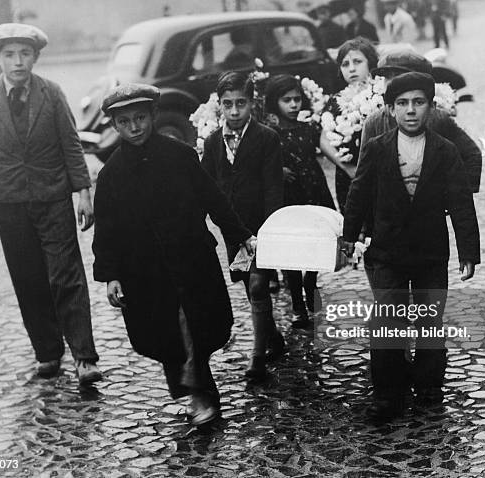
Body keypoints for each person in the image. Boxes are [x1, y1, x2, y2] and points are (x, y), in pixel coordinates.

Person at [93, 84, 256, 427]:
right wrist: (111, 274)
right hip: (145, 272)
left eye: (140, 118)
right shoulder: (111, 174)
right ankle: (193, 392)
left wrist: (239, 234)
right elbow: (106, 229)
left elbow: (212, 197)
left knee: (197, 326)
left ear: (152, 116)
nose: (134, 127)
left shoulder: (179, 155)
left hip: (191, 259)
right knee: (168, 333)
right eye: (124, 122)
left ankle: (200, 394)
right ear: (114, 125)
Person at [0, 23, 102, 385]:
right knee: (28, 279)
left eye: (25, 54)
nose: (18, 62)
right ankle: (47, 352)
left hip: (53, 197)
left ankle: (84, 357)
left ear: (36, 57)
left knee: (66, 276)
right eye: (9, 55)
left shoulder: (51, 94)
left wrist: (82, 192)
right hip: (10, 202)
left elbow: (71, 144)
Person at [343, 72, 480, 420]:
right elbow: (358, 194)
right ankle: (387, 394)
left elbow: (462, 202)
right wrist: (348, 237)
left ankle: (429, 389)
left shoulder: (445, 151)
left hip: (430, 252)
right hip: (387, 250)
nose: (410, 111)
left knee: (429, 320)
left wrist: (468, 252)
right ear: (389, 109)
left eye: (418, 103)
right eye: (402, 104)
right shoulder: (376, 148)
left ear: (431, 108)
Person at [202, 72, 285, 381]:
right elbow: (206, 185)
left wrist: (268, 231)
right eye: (228, 104)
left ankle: (257, 358)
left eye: (241, 104)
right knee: (249, 287)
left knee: (258, 285)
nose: (234, 111)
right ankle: (273, 337)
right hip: (232, 229)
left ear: (252, 103)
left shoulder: (266, 138)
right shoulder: (212, 142)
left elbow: (273, 188)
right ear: (219, 105)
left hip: (261, 226)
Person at [264, 74, 336, 329]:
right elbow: (259, 164)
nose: (293, 105)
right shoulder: (269, 133)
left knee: (314, 243)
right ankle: (297, 303)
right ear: (275, 103)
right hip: (287, 197)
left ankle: (310, 282)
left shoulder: (309, 127)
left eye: (297, 99)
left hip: (312, 191)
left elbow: (328, 149)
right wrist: (277, 170)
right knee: (291, 250)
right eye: (287, 100)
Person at [360, 51, 482, 194]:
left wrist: (453, 195)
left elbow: (472, 155)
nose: (392, 83)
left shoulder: (436, 119)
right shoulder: (374, 122)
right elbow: (363, 174)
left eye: (399, 77)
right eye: (387, 78)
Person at [320, 38, 379, 213]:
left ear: (371, 64)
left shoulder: (382, 94)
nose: (351, 68)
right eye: (345, 64)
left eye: (358, 62)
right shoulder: (336, 101)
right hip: (349, 174)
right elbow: (324, 139)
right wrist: (348, 168)